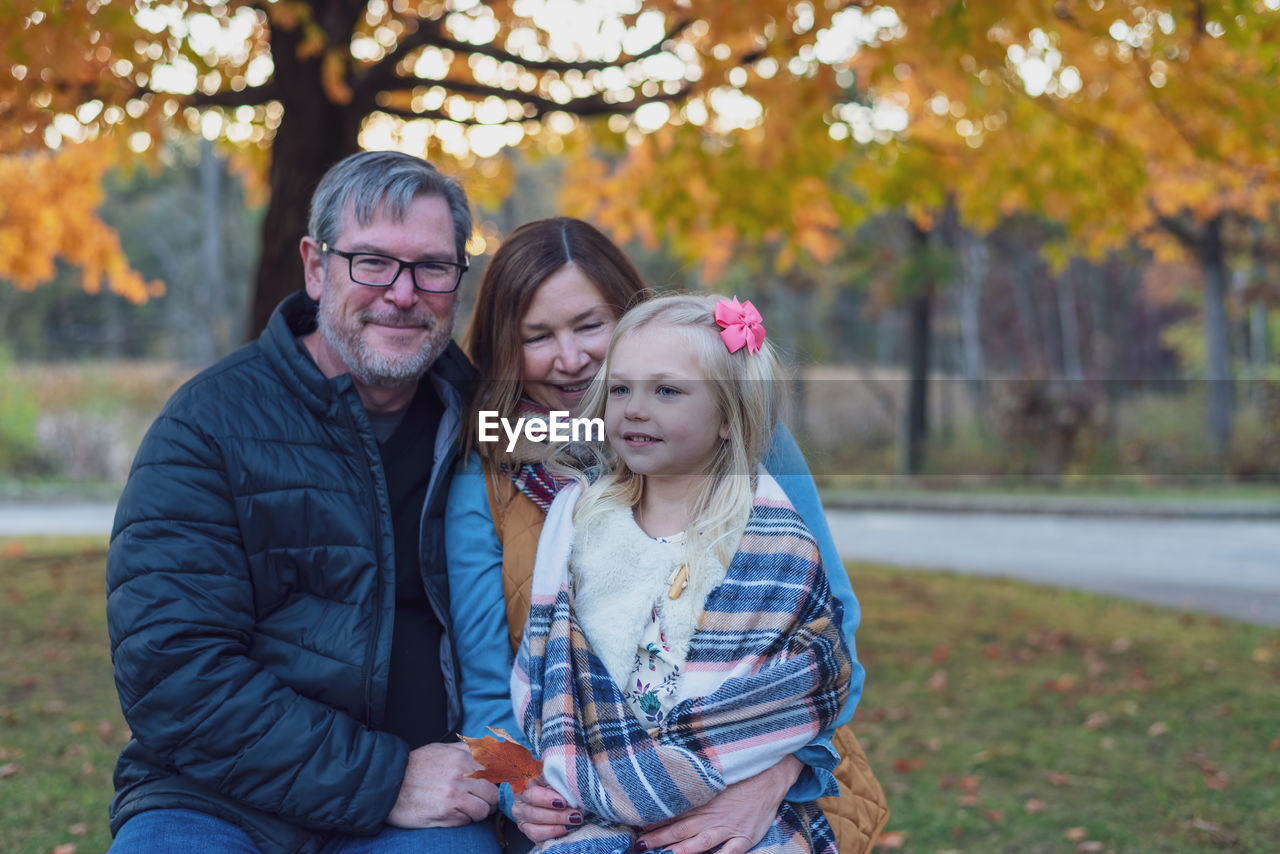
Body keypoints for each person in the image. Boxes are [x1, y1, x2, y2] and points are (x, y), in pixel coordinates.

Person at [446, 218, 887, 854]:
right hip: (579, 778)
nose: (570, 359)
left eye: (589, 326)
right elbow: (489, 682)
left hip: (764, 752)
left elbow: (827, 622)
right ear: (503, 348)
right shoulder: (486, 466)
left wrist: (777, 773)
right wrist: (522, 786)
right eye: (536, 336)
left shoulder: (736, 431)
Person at [105, 150, 501, 854]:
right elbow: (173, 671)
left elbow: (639, 437)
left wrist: (729, 368)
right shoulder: (207, 426)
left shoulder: (483, 418)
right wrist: (384, 779)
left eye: (432, 267)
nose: (404, 294)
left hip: (419, 813)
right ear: (317, 267)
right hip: (217, 799)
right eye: (372, 262)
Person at [511, 293, 849, 853]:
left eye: (666, 390)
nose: (634, 410)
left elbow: (808, 673)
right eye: (620, 389)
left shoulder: (771, 539)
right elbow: (547, 662)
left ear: (727, 416)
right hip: (591, 795)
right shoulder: (581, 521)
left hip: (729, 795)